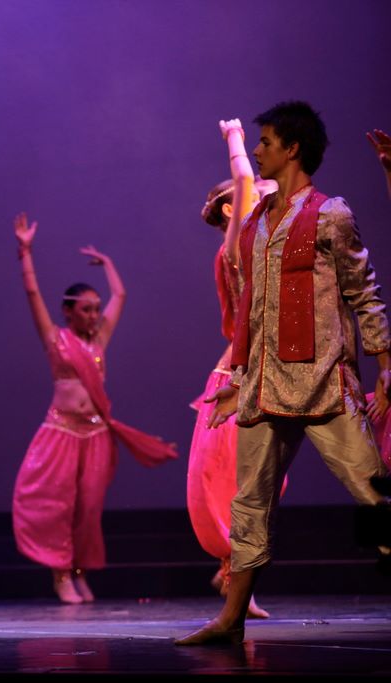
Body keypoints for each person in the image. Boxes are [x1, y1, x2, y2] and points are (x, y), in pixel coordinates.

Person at [177, 101, 391, 646]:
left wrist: (384, 364)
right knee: (250, 502)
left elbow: (363, 291)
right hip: (266, 385)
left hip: (323, 382)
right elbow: (253, 309)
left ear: (292, 149)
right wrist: (239, 380)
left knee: (373, 491)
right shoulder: (254, 224)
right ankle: (231, 618)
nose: (257, 150)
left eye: (266, 141)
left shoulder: (329, 213)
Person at [11, 213, 177, 604]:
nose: (93, 315)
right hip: (61, 432)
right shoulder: (55, 338)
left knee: (88, 509)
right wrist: (25, 250)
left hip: (96, 434)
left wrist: (109, 264)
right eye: (86, 309)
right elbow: (32, 294)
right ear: (68, 311)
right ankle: (60, 573)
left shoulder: (99, 341)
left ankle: (79, 571)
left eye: (95, 309)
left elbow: (121, 296)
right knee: (58, 506)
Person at [187, 119, 278, 619]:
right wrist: (235, 137)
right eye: (258, 193)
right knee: (237, 485)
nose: (267, 193)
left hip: (264, 376)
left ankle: (233, 576)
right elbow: (245, 179)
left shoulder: (262, 246)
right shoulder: (234, 247)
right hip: (236, 380)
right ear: (232, 209)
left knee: (261, 484)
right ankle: (236, 579)